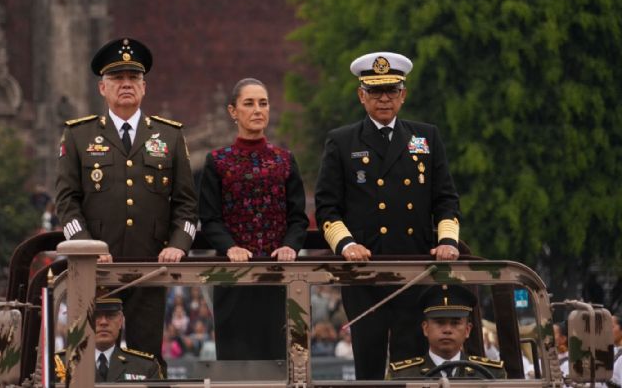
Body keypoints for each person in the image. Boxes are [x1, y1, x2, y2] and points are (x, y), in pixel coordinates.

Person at [315, 51, 461, 379]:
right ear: (361, 96)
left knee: (411, 364)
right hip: (365, 272)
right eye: (376, 92)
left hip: (414, 269)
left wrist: (448, 240)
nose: (384, 99)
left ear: (403, 95)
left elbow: (446, 199)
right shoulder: (342, 141)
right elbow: (327, 207)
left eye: (391, 91)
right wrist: (346, 244)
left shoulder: (425, 137)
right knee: (368, 362)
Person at [56, 37, 198, 360]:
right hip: (94, 271)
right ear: (102, 88)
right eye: (117, 79)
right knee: (87, 361)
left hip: (151, 268)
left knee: (146, 360)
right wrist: (86, 248)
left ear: (144, 87)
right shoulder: (78, 136)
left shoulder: (170, 136)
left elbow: (187, 204)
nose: (126, 85)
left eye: (133, 78)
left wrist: (178, 244)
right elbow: (66, 202)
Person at [198, 78, 309, 359]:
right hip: (234, 277)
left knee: (280, 360)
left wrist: (290, 246)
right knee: (237, 364)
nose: (258, 110)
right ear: (233, 111)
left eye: (263, 103)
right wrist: (229, 247)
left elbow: (298, 217)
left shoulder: (285, 160)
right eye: (249, 103)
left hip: (279, 274)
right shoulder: (218, 161)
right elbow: (209, 218)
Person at [388, 285, 506, 379]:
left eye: (455, 323)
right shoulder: (402, 375)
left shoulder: (490, 374)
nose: (447, 330)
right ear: (425, 328)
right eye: (439, 322)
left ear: (467, 330)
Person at [55, 297, 162, 382]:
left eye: (110, 316)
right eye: (96, 316)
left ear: (120, 321)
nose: (103, 322)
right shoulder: (60, 364)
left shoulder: (145, 367)